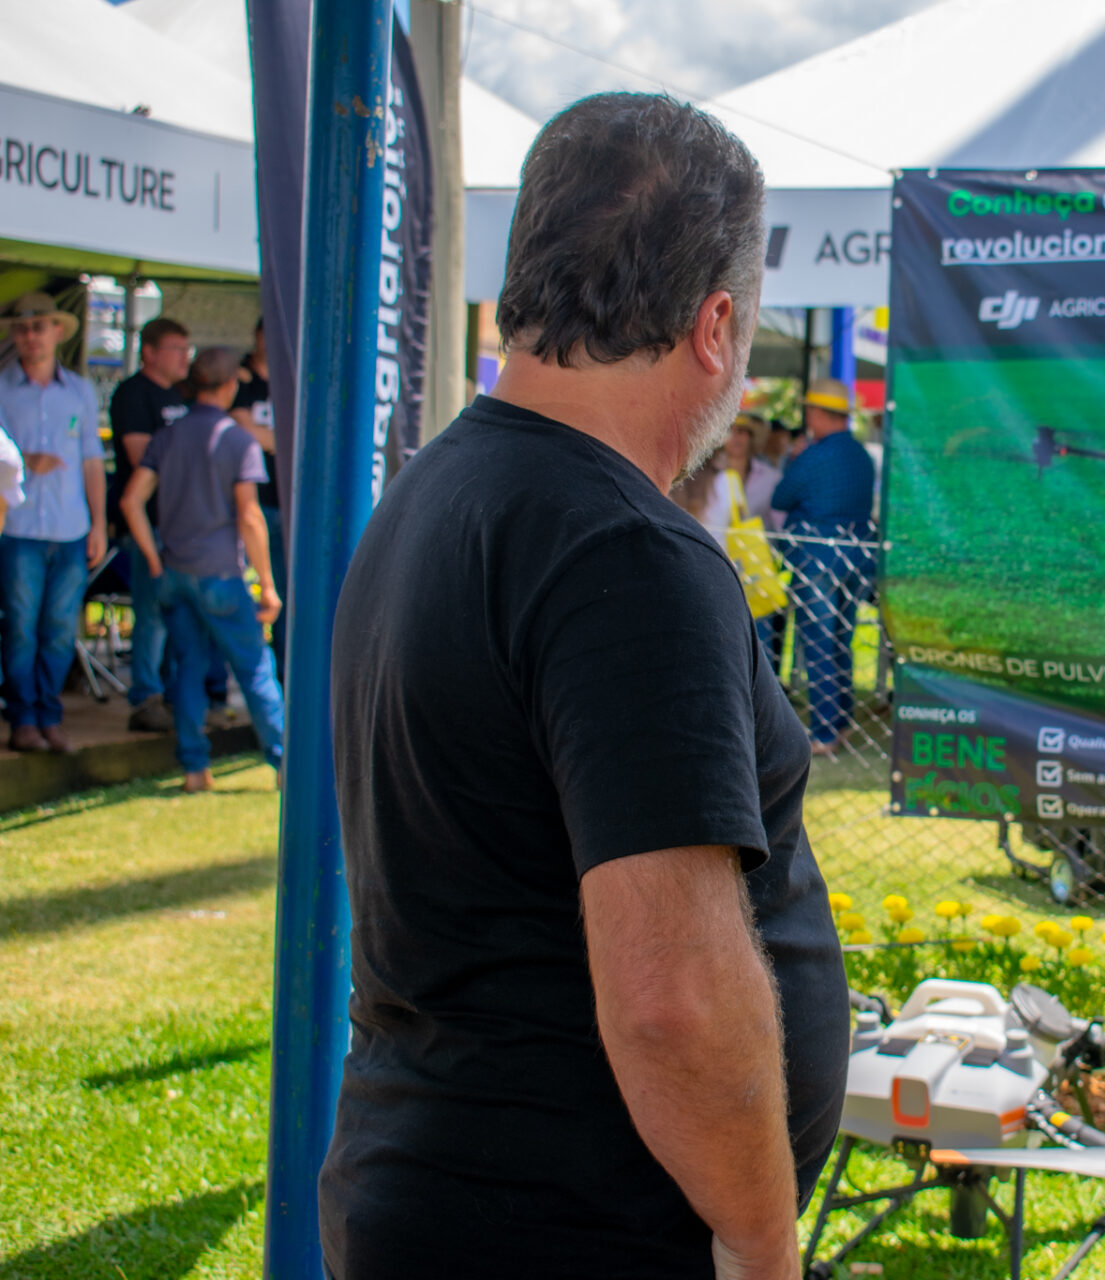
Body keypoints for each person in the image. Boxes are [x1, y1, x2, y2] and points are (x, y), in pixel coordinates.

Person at [319, 92, 847, 1280]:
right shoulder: (626, 551)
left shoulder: (437, 491)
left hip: (442, 1184)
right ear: (717, 324)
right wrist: (765, 1244)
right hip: (574, 1227)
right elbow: (673, 996)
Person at [118, 347, 284, 793]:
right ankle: (284, 763)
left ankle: (194, 769)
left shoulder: (169, 435)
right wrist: (267, 584)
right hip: (220, 574)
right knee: (254, 669)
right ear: (230, 387)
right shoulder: (237, 440)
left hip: (175, 571)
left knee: (187, 669)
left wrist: (154, 559)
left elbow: (131, 500)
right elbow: (250, 517)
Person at [0, 292, 108, 754]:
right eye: (22, 328)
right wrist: (26, 461)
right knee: (21, 626)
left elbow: (91, 461)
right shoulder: (2, 389)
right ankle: (23, 718)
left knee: (61, 628)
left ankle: (50, 714)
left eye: (38, 326)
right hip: (19, 528)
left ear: (58, 332)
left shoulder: (80, 391)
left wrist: (99, 523)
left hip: (69, 527)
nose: (30, 336)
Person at [771, 377, 875, 754]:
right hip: (857, 556)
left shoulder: (814, 456)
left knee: (816, 643)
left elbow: (781, 497)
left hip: (816, 558)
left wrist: (794, 460)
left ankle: (825, 732)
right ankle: (841, 723)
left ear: (815, 413)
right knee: (841, 641)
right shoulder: (861, 456)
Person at [108, 316, 193, 733]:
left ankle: (176, 695)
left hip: (183, 529)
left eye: (187, 349)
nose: (185, 357)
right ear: (150, 352)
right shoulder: (132, 395)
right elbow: (146, 457)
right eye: (177, 348)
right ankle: (145, 697)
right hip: (148, 524)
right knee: (151, 614)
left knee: (179, 617)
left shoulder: (181, 395)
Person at [228, 318, 285, 675]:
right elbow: (242, 431)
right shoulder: (240, 379)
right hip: (247, 505)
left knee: (279, 593)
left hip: (284, 505)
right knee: (233, 595)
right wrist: (285, 441)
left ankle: (280, 675)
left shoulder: (290, 377)